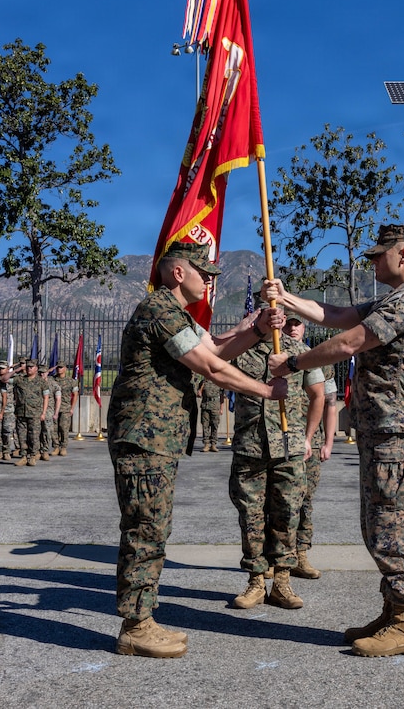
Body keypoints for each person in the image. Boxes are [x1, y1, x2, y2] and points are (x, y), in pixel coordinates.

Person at [263, 223, 404, 658]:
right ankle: (393, 610)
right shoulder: (394, 298)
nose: (372, 262)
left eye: (378, 255)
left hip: (394, 427)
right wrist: (287, 299)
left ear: (403, 254)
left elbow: (350, 342)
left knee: (390, 523)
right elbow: (337, 315)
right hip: (381, 427)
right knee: (376, 521)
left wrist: (293, 364)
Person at [107, 241, 288, 660]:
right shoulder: (159, 310)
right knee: (145, 529)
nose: (209, 280)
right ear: (178, 273)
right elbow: (210, 366)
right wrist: (266, 390)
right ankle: (135, 626)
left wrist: (259, 330)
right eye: (203, 273)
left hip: (157, 440)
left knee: (154, 528)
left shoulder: (177, 315)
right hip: (144, 438)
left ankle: (142, 619)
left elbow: (217, 350)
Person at [228, 310, 325, 610]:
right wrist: (242, 330)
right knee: (251, 517)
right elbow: (214, 362)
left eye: (280, 312)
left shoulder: (299, 352)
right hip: (251, 447)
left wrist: (308, 437)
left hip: (289, 447)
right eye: (267, 311)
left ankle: (282, 581)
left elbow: (318, 394)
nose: (275, 318)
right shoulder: (240, 348)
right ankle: (256, 582)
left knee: (287, 515)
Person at [283, 315, 338, 580]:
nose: (292, 328)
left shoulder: (319, 359)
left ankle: (301, 554)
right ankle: (276, 556)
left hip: (311, 443)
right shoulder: (275, 357)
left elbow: (330, 403)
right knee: (277, 500)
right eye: (288, 324)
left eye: (297, 324)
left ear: (305, 327)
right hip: (282, 439)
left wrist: (328, 442)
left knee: (305, 500)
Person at [13, 359, 50, 467]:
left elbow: (46, 397)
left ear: (36, 368)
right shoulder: (20, 379)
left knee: (34, 436)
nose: (29, 369)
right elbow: (4, 379)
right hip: (21, 412)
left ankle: (33, 456)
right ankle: (24, 456)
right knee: (21, 436)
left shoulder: (42, 382)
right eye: (27, 367)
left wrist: (43, 413)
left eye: (31, 367)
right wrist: (16, 370)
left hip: (35, 413)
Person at [54, 360, 78, 456]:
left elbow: (75, 394)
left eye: (61, 367)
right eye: (58, 367)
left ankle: (63, 447)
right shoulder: (53, 380)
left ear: (65, 369)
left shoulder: (71, 381)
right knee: (54, 429)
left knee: (64, 427)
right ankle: (56, 446)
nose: (59, 369)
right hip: (54, 407)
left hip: (65, 407)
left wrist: (72, 408)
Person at [198, 377, 222, 452]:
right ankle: (206, 444)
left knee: (215, 425)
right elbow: (198, 393)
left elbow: (222, 397)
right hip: (205, 406)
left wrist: (221, 408)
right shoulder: (203, 382)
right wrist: (199, 391)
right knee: (205, 425)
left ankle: (213, 444)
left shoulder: (218, 381)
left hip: (215, 406)